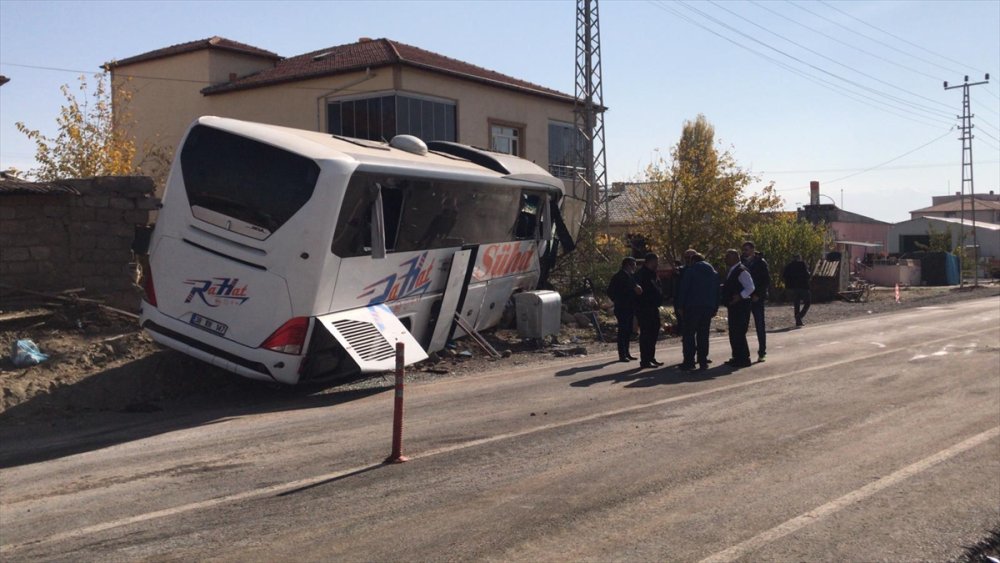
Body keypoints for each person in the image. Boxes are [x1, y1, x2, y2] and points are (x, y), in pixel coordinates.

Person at [675, 249, 719, 371]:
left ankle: (689, 362)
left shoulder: (691, 271)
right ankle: (703, 361)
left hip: (692, 307)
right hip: (708, 307)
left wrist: (680, 306)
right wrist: (715, 307)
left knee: (689, 334)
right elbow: (717, 291)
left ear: (694, 261)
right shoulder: (713, 273)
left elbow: (684, 289)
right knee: (703, 334)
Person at [722, 248, 755, 368]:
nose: (725, 259)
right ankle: (736, 356)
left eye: (727, 256)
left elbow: (750, 287)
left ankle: (744, 358)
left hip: (741, 306)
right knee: (733, 332)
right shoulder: (732, 270)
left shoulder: (741, 270)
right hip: (734, 306)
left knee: (739, 332)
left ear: (735, 257)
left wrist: (740, 296)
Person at [607, 257, 642, 362]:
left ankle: (627, 353)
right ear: (628, 265)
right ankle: (622, 354)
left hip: (630, 307)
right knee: (622, 331)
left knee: (628, 331)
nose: (635, 267)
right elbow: (610, 291)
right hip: (622, 307)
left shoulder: (630, 276)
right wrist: (619, 300)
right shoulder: (619, 276)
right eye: (633, 265)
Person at [741, 241, 770, 362]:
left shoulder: (760, 263)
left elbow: (765, 281)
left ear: (753, 249)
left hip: (757, 299)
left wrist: (758, 294)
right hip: (745, 298)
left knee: (759, 325)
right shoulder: (742, 262)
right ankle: (741, 353)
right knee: (742, 327)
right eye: (744, 250)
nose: (745, 252)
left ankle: (762, 352)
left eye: (747, 249)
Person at [635, 252, 664, 369]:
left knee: (654, 332)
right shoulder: (641, 274)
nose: (658, 263)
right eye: (656, 261)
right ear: (650, 261)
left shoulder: (653, 274)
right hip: (644, 308)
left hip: (654, 307)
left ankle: (651, 357)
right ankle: (645, 360)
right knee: (646, 334)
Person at [782, 253, 811, 327]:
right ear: (799, 258)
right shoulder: (802, 264)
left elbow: (784, 276)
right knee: (807, 302)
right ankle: (800, 316)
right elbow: (807, 275)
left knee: (796, 303)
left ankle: (798, 321)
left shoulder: (789, 266)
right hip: (803, 286)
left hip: (792, 287)